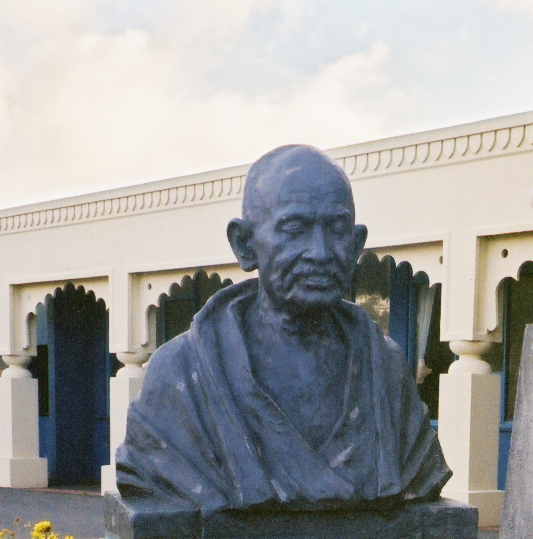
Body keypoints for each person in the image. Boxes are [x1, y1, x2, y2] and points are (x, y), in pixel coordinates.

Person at [116, 144, 451, 515]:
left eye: (337, 230)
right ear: (245, 245)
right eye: (295, 229)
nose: (321, 252)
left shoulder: (385, 370)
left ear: (356, 245)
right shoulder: (181, 375)